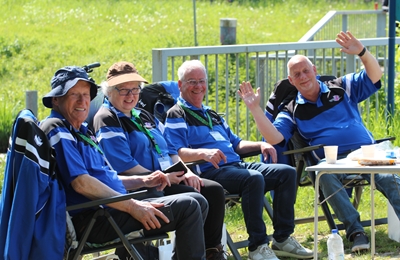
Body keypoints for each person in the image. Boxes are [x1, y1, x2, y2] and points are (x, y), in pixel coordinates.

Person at [238, 31, 400, 253]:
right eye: (297, 74)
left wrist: (362, 52)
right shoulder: (291, 109)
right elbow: (274, 137)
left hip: (367, 154)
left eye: (306, 70)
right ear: (291, 81)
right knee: (326, 177)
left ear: (314, 70)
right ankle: (355, 231)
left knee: (390, 178)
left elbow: (374, 76)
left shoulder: (341, 87)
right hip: (332, 162)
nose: (303, 76)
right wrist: (255, 110)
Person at [39, 65, 209, 260]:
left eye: (86, 95)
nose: (83, 101)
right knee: (189, 207)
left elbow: (106, 178)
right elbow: (81, 183)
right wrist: (133, 206)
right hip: (97, 218)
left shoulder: (81, 130)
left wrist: (143, 181)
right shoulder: (57, 128)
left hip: (112, 208)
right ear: (56, 99)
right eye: (74, 95)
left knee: (198, 201)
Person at [164, 60, 313, 260]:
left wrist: (259, 145)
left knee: (286, 173)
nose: (198, 86)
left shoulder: (212, 114)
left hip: (235, 165)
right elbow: (175, 151)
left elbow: (236, 144)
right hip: (210, 171)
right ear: (180, 85)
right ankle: (257, 247)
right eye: (192, 81)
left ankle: (282, 238)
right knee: (253, 178)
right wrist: (202, 153)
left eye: (202, 81)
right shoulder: (176, 114)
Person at [92, 61, 227, 260]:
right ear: (109, 91)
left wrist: (185, 172)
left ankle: (212, 252)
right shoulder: (107, 118)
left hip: (164, 176)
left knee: (212, 190)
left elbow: (170, 148)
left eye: (135, 89)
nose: (131, 95)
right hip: (139, 186)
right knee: (194, 198)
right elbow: (124, 165)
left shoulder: (143, 114)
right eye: (123, 90)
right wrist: (163, 177)